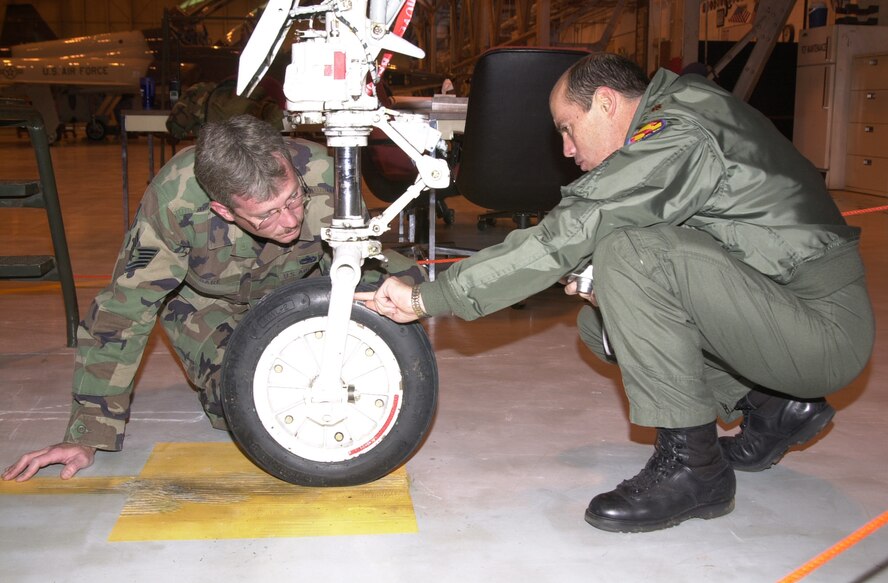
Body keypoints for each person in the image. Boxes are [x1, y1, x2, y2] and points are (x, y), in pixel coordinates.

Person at [356, 53, 874, 533]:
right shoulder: (682, 113)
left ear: (605, 103)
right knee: (601, 324)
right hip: (790, 312)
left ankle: (694, 471)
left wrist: (432, 297)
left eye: (568, 128)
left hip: (821, 328)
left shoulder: (679, 131)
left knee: (631, 252)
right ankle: (771, 405)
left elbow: (579, 226)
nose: (566, 148)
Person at [3, 114, 424, 482]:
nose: (291, 220)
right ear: (224, 210)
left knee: (405, 285)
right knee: (244, 406)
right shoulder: (175, 203)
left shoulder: (321, 170)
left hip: (296, 290)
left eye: (293, 199)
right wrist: (88, 432)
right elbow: (125, 310)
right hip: (205, 304)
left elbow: (361, 262)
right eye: (268, 215)